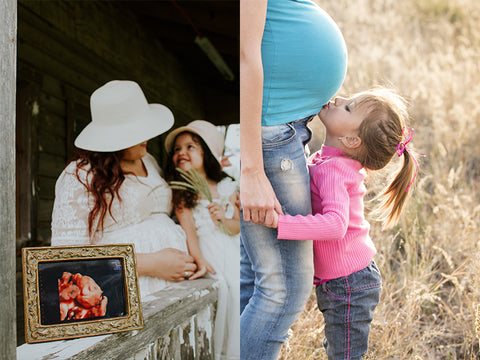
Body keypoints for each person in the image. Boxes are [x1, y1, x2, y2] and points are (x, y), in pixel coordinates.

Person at [268, 87, 422, 359]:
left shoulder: (334, 170)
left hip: (350, 284)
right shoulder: (327, 159)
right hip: (345, 281)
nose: (339, 99)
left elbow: (335, 224)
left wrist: (282, 223)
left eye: (348, 107)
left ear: (351, 140)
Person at [240, 0, 348, 358]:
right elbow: (245, 53)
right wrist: (252, 170)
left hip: (281, 128)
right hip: (268, 131)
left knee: (255, 279)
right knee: (283, 288)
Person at [51, 80, 197, 300]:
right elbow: (65, 260)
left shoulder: (148, 160)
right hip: (122, 295)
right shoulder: (80, 175)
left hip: (172, 288)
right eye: (135, 130)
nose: (145, 136)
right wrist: (150, 264)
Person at [164, 120, 240, 360]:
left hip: (233, 250)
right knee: (223, 287)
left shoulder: (228, 187)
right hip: (209, 252)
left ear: (206, 152)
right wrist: (200, 260)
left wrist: (223, 219)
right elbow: (189, 232)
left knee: (239, 288)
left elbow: (237, 227)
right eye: (177, 149)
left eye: (189, 147)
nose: (181, 153)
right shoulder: (182, 192)